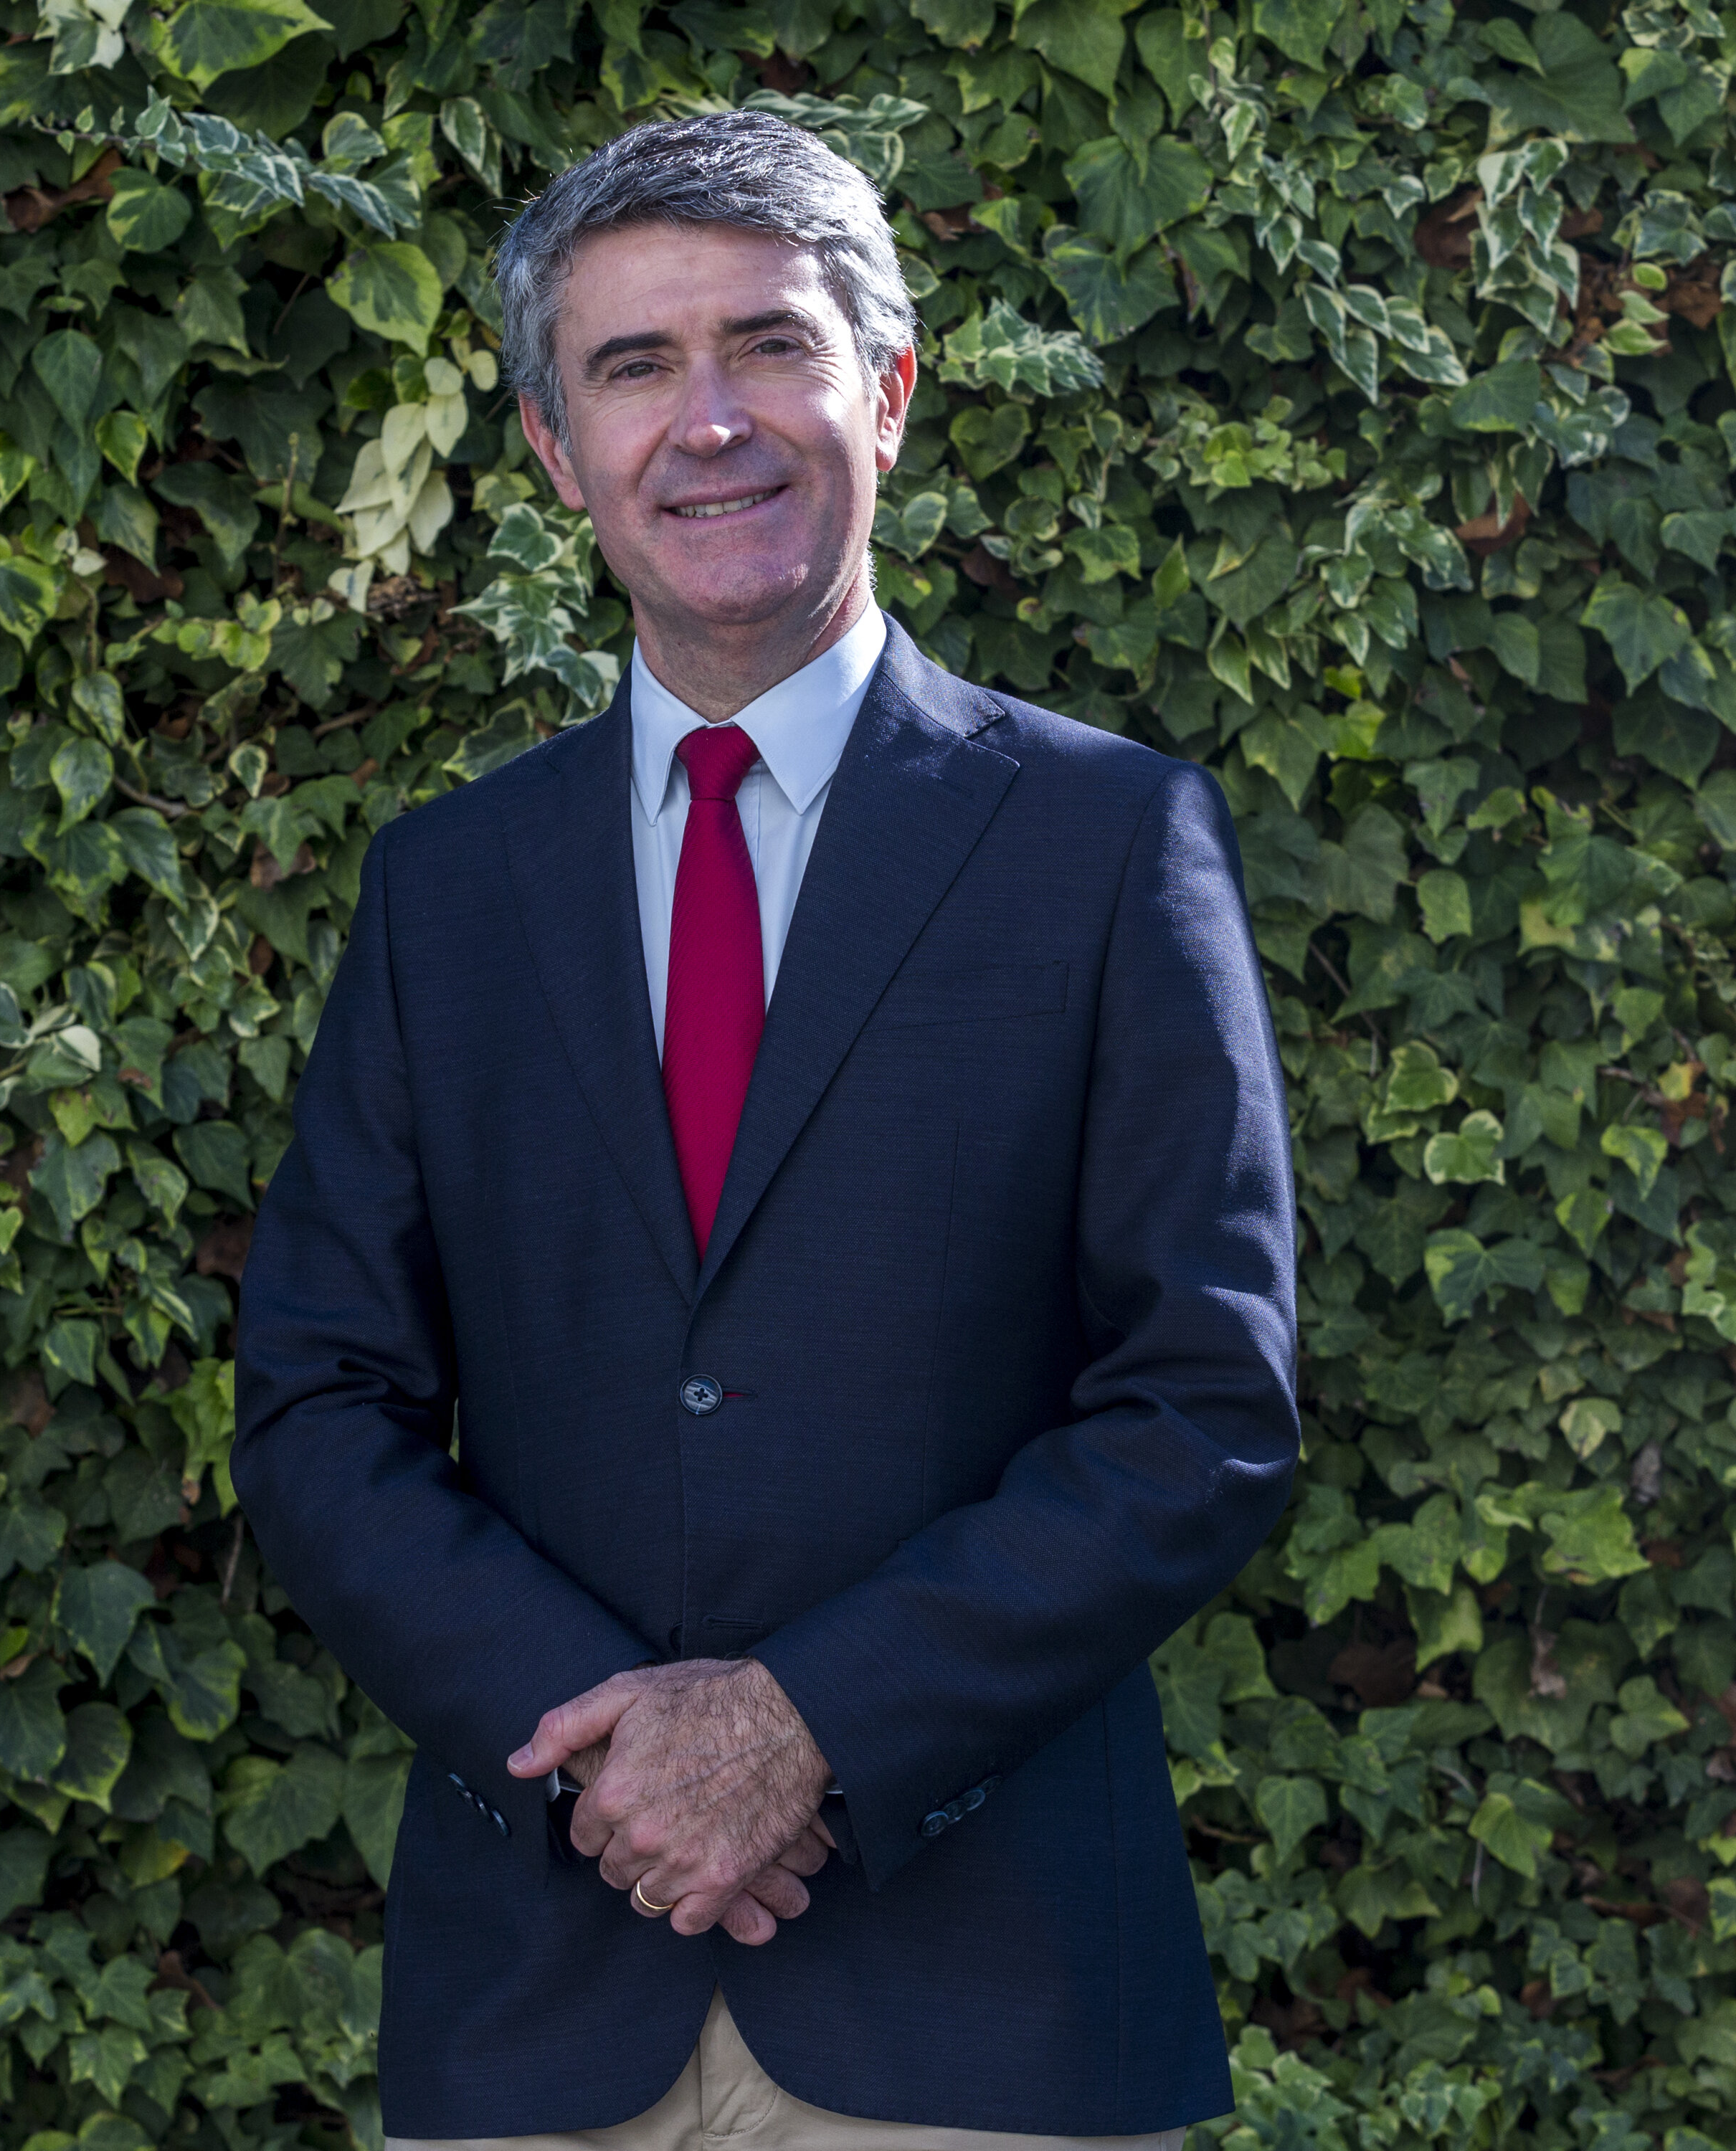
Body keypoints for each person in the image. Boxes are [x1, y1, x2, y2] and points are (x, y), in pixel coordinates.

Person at [234, 108, 1299, 2151]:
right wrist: (604, 1757)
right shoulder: (447, 889)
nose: (707, 422)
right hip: (543, 1997)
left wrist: (813, 1726)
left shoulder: (1106, 842)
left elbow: (1203, 1403)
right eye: (635, 366)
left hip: (987, 2017)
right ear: (557, 449)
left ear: (885, 393)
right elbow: (317, 1400)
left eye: (770, 347)